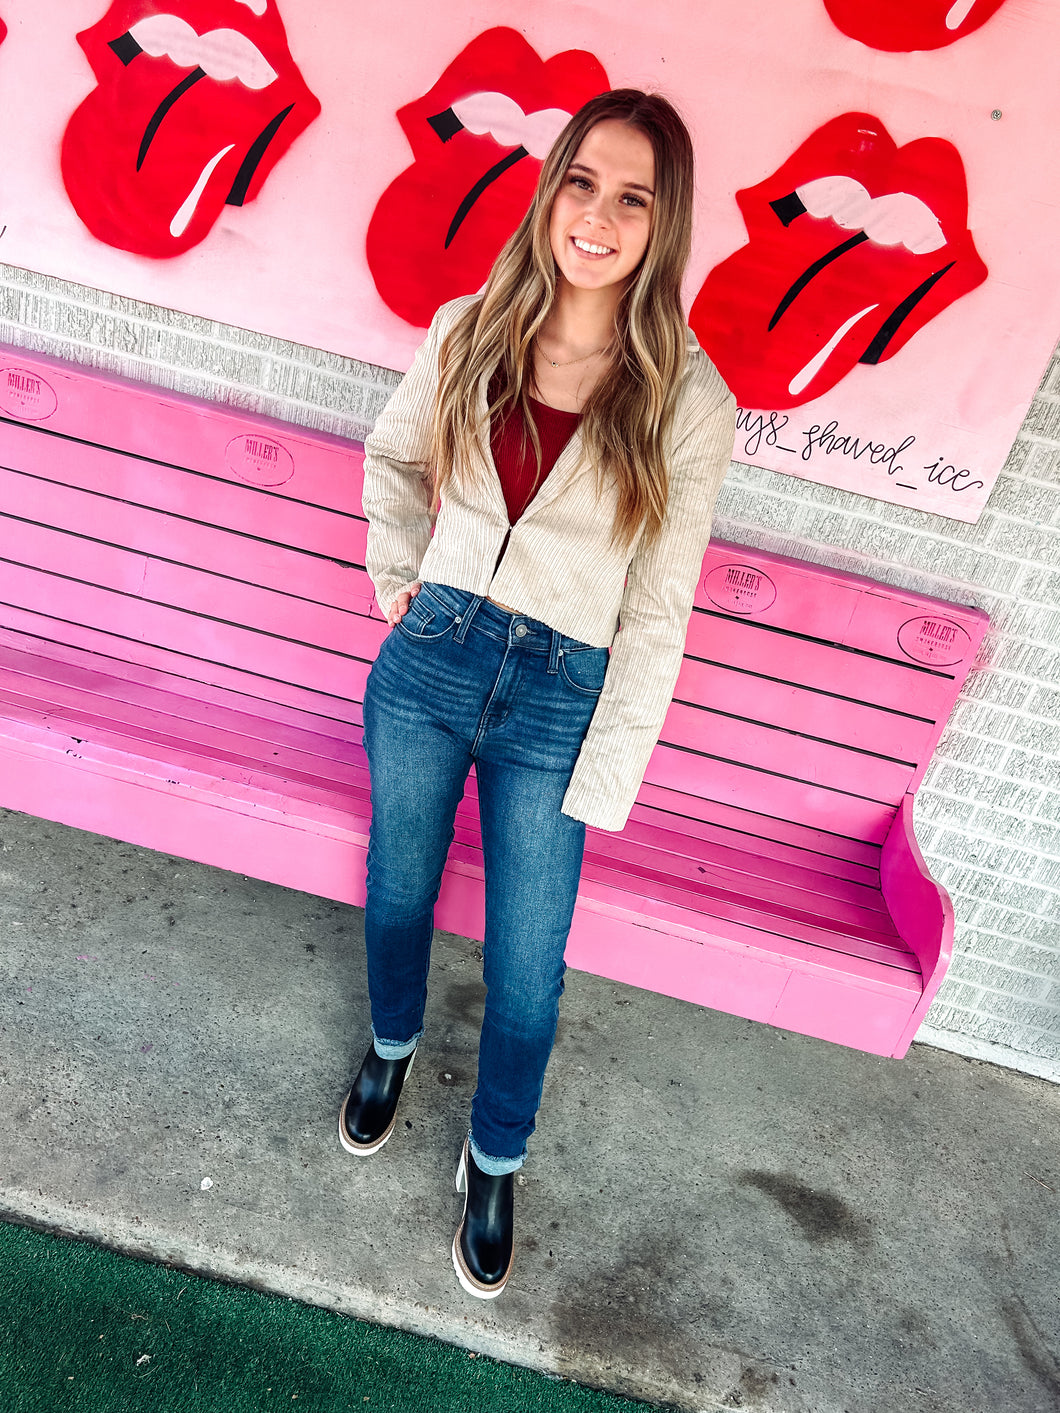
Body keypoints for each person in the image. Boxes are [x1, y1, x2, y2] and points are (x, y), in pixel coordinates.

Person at [340, 89, 735, 1299]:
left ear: (661, 228)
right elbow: (396, 459)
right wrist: (402, 577)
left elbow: (657, 609)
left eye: (633, 199)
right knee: (399, 884)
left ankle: (495, 1154)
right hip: (434, 657)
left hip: (562, 698)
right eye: (583, 183)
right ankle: (391, 1045)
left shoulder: (688, 399)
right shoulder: (471, 328)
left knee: (528, 959)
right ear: (551, 185)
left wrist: (605, 775)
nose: (599, 219)